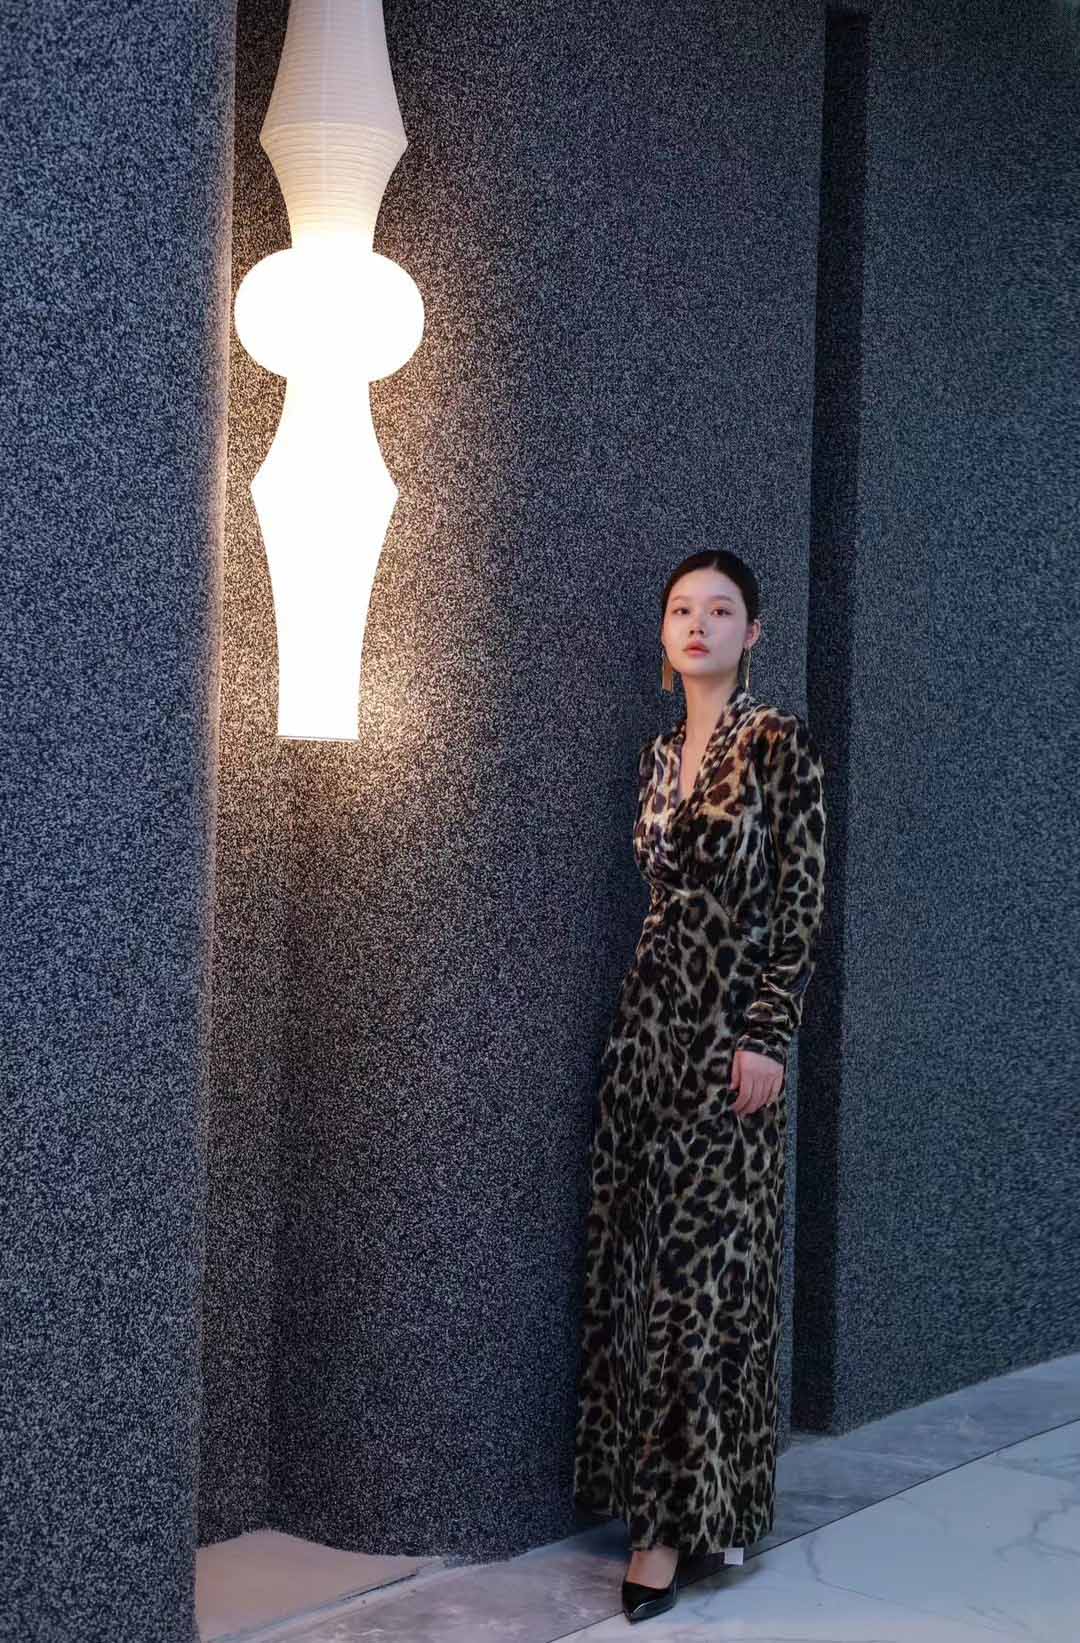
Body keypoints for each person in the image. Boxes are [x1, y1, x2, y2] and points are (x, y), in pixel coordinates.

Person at [572, 549, 828, 1625]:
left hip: (731, 1044)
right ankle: (672, 1495)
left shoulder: (777, 745)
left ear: (751, 633)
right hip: (647, 1038)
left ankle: (668, 1529)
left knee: (702, 1282)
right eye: (683, 608)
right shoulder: (654, 755)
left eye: (721, 610)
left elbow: (800, 902)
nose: (698, 623)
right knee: (639, 1269)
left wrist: (767, 1034)